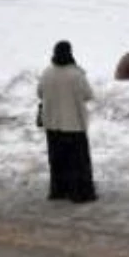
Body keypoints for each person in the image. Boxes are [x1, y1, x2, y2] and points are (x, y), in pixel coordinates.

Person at [37, 41, 97, 204]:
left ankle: (59, 190)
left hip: (53, 124)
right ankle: (79, 192)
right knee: (77, 161)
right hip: (74, 124)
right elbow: (88, 95)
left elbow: (39, 92)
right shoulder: (76, 74)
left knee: (57, 160)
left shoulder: (47, 73)